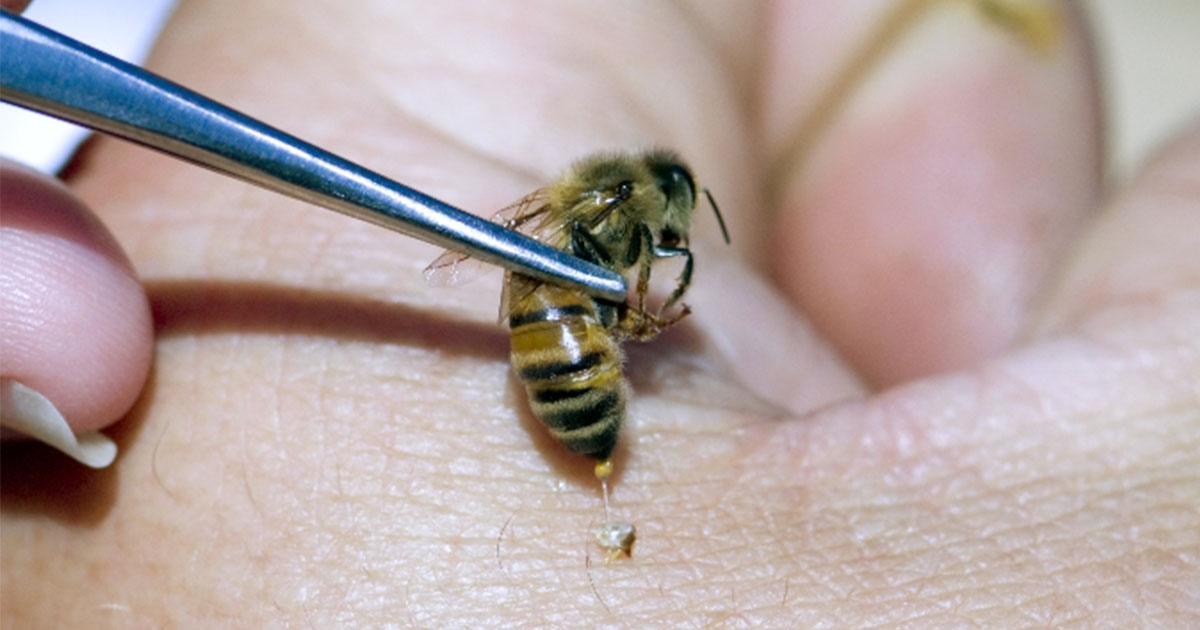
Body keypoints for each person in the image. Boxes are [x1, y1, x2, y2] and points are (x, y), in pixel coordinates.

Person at [3, 1, 1196, 626]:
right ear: (655, 206)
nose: (675, 239)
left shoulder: (592, 211)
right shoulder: (623, 215)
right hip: (563, 344)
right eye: (672, 222)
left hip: (554, 333)